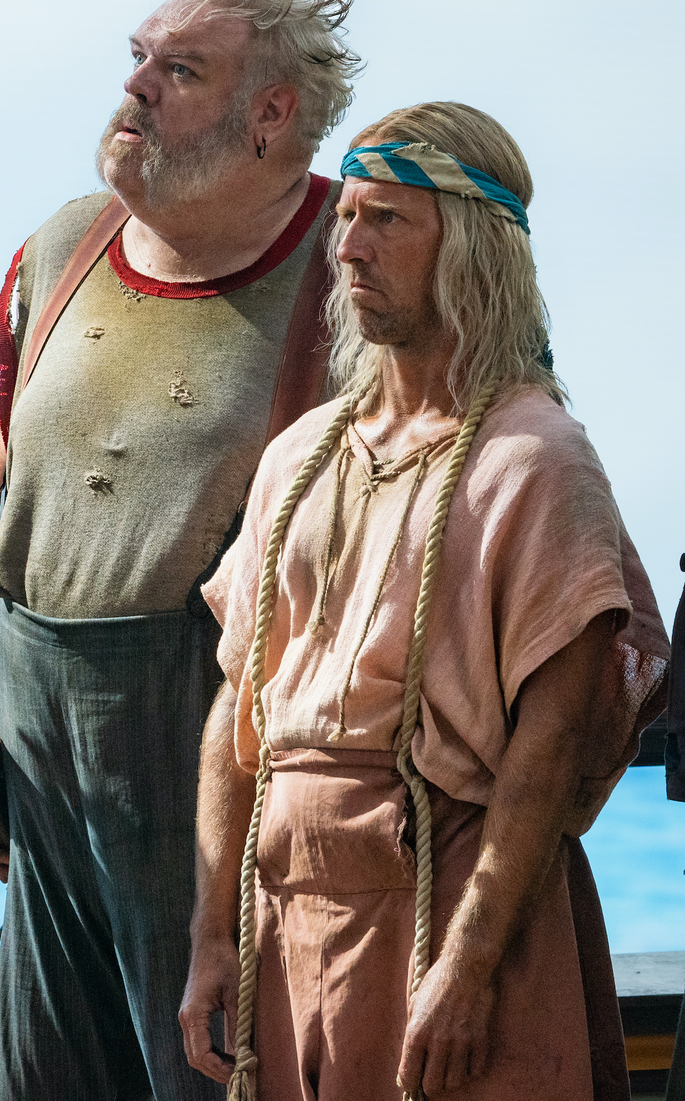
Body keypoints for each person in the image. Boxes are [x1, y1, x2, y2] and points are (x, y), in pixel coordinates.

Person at [183, 102, 670, 1100]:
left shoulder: (535, 459)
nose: (349, 247)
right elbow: (240, 711)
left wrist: (469, 965)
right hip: (287, 922)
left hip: (449, 927)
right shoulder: (299, 458)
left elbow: (556, 737)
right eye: (345, 218)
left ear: (473, 246)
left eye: (387, 220)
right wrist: (210, 938)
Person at [0, 0, 360, 1100]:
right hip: (38, 763)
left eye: (177, 71)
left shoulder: (354, 268)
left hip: (221, 766)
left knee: (213, 1073)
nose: (133, 88)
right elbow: (0, 478)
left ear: (270, 114)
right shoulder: (62, 244)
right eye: (137, 57)